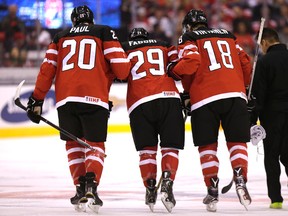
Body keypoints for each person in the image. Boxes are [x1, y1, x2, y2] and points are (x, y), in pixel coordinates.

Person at [25, 5, 131, 213]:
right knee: (95, 144)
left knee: (73, 144)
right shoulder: (103, 31)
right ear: (91, 20)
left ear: (73, 21)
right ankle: (92, 185)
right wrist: (108, 72)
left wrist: (37, 99)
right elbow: (122, 69)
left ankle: (79, 188)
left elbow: (47, 70)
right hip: (94, 98)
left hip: (65, 100)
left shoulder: (60, 37)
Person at [167, 9, 253, 212]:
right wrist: (245, 88)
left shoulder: (188, 38)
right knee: (237, 142)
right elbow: (245, 63)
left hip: (204, 99)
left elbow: (191, 63)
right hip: (235, 95)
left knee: (207, 146)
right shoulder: (228, 35)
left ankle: (212, 188)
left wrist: (173, 70)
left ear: (188, 26)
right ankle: (240, 178)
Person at [121, 27, 185, 213]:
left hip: (139, 102)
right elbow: (178, 66)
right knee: (170, 147)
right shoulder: (164, 45)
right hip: (169, 98)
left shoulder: (124, 48)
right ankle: (167, 181)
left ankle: (150, 188)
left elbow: (119, 72)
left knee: (146, 152)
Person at [250, 27, 288, 209]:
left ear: (265, 42)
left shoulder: (264, 62)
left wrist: (251, 121)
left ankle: (276, 199)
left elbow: (259, 95)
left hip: (272, 116)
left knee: (272, 157)